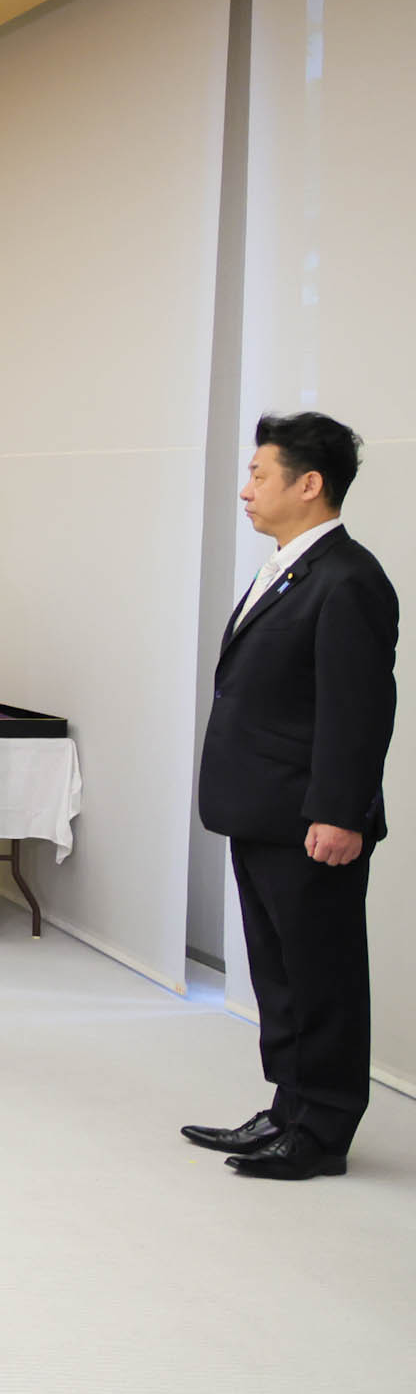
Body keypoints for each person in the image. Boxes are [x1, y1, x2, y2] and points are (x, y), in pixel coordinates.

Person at [185, 412, 397, 1180]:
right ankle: (287, 1106)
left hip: (311, 817)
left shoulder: (350, 578)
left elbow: (359, 708)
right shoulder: (289, 565)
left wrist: (341, 812)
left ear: (309, 485)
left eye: (259, 476)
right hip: (264, 809)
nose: (246, 491)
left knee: (322, 973)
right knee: (280, 971)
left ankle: (322, 1128)